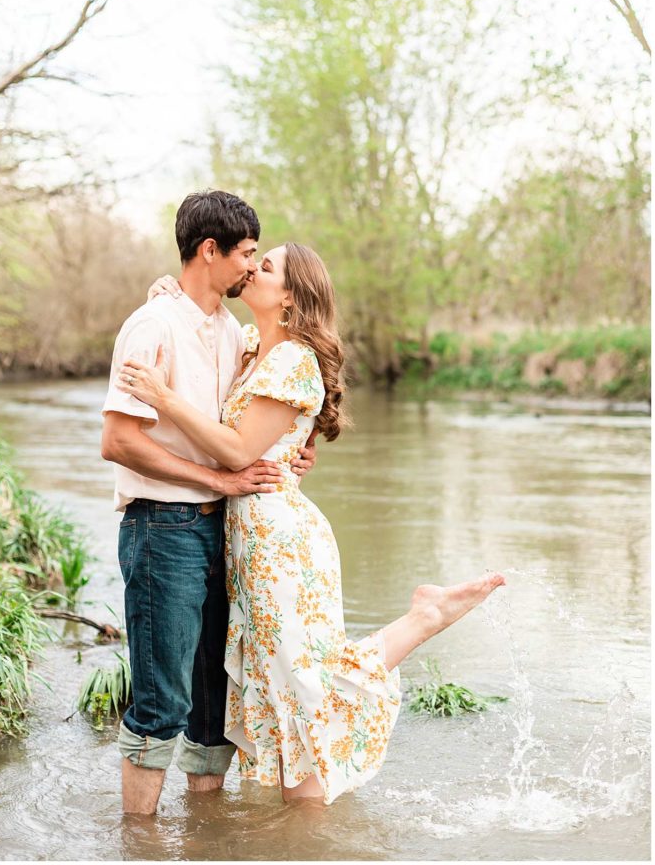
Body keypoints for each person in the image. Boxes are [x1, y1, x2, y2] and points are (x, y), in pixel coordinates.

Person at [116, 241, 506, 805]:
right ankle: (305, 823)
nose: (251, 268)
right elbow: (202, 326)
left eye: (265, 265)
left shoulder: (294, 360)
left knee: (304, 678)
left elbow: (235, 449)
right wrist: (170, 293)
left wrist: (163, 397)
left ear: (291, 297)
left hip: (280, 541)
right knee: (283, 683)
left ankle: (423, 620)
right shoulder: (253, 346)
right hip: (248, 539)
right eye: (253, 258)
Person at [100, 191, 316, 816]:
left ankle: (203, 840)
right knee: (162, 699)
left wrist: (299, 450)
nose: (253, 266)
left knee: (212, 701)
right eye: (248, 254)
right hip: (163, 528)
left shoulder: (234, 333)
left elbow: (272, 408)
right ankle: (137, 841)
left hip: (226, 532)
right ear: (210, 250)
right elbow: (117, 441)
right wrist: (216, 482)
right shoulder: (152, 325)